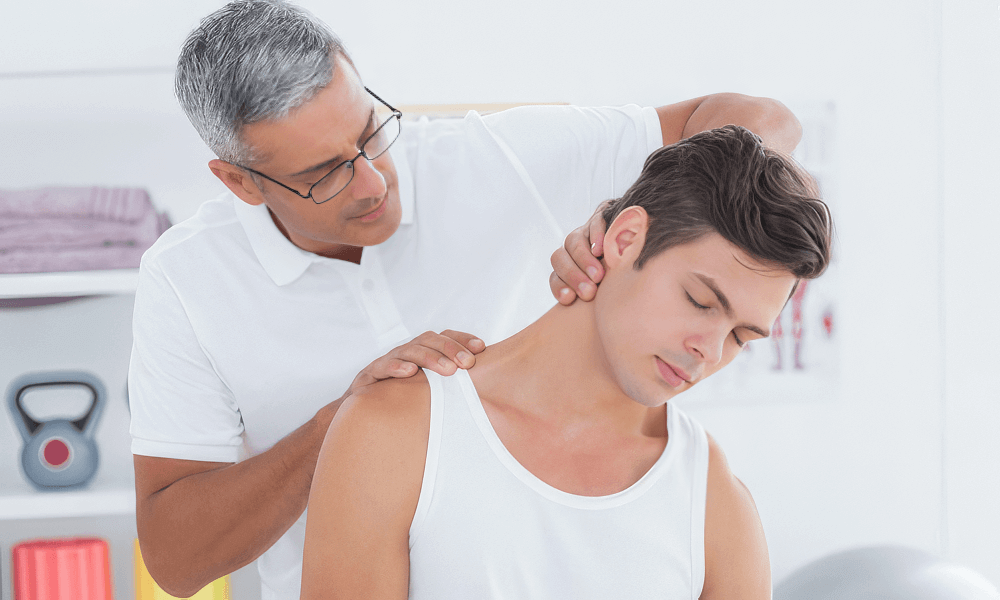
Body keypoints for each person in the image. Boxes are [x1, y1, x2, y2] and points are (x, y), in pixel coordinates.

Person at [127, 1, 805, 599]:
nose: (371, 183)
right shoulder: (187, 283)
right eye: (323, 174)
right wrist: (340, 422)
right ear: (239, 182)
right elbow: (178, 563)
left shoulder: (496, 159)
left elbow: (759, 120)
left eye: (370, 132)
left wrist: (631, 211)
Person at [301, 125, 833, 600]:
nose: (711, 351)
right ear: (625, 239)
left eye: (741, 335)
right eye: (699, 300)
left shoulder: (715, 507)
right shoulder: (397, 431)